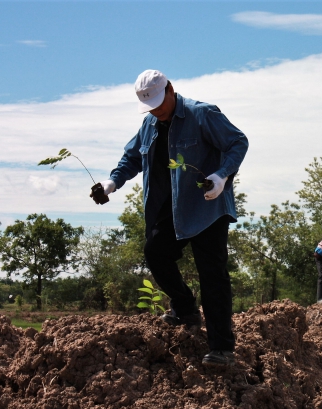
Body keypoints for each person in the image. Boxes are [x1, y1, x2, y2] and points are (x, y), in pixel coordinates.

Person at [91, 70, 248, 366]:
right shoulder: (149, 124)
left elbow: (238, 142)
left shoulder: (202, 114)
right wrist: (112, 183)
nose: (157, 111)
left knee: (212, 274)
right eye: (150, 107)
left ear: (171, 90)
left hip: (206, 205)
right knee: (155, 253)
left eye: (160, 104)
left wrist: (221, 175)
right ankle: (185, 309)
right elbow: (132, 158)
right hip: (170, 208)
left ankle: (222, 348)